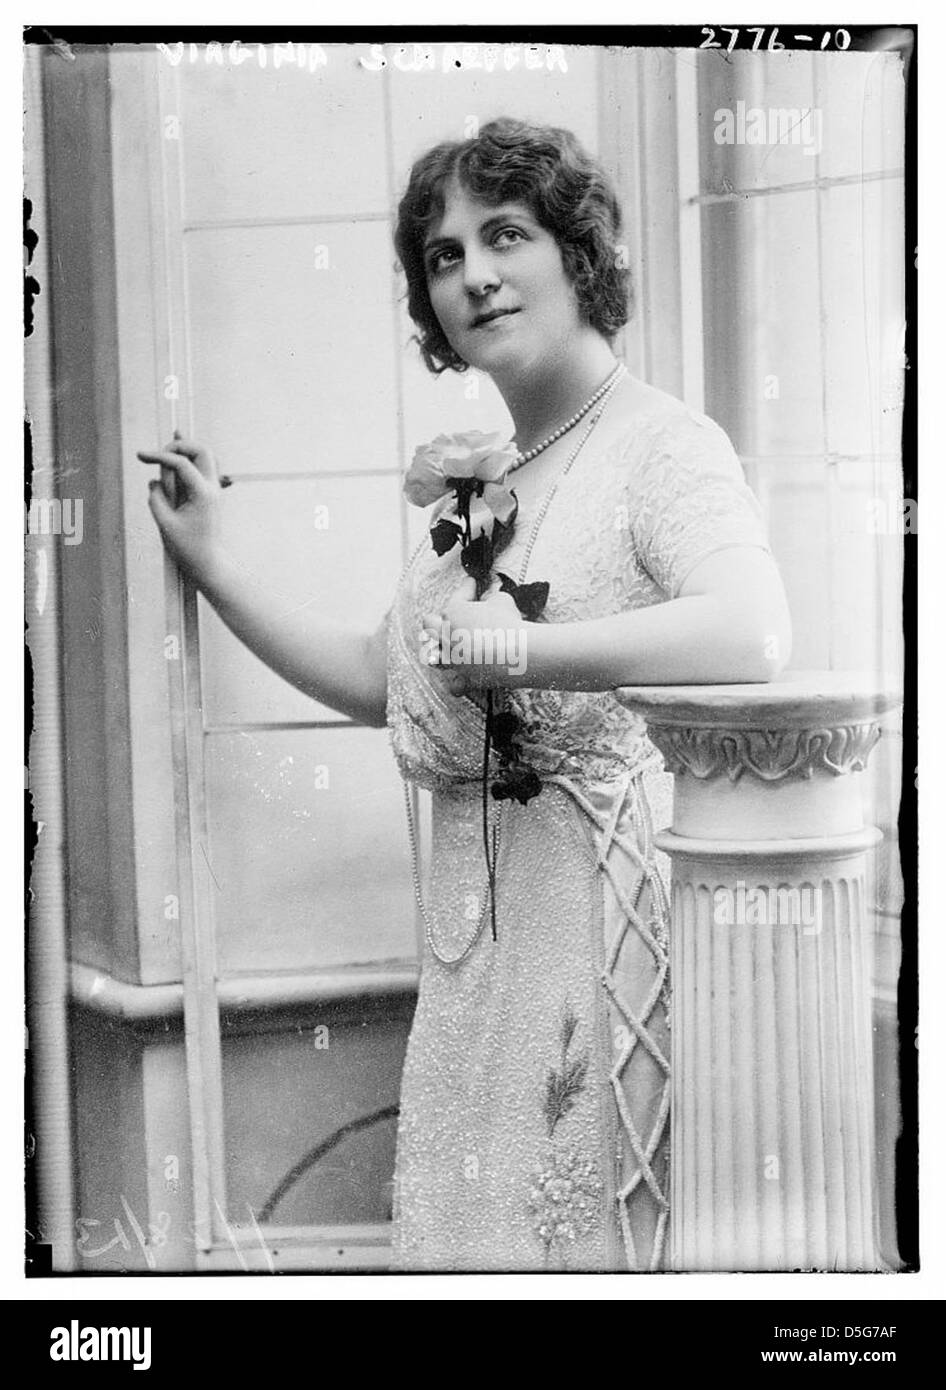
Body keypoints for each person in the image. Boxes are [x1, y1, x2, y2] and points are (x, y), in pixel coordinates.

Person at [139, 117, 791, 1272]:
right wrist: (214, 560)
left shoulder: (661, 446)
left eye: (506, 235)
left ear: (577, 252)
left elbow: (753, 629)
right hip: (478, 968)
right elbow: (375, 673)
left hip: (609, 948)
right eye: (443, 255)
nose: (474, 272)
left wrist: (527, 653)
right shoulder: (490, 483)